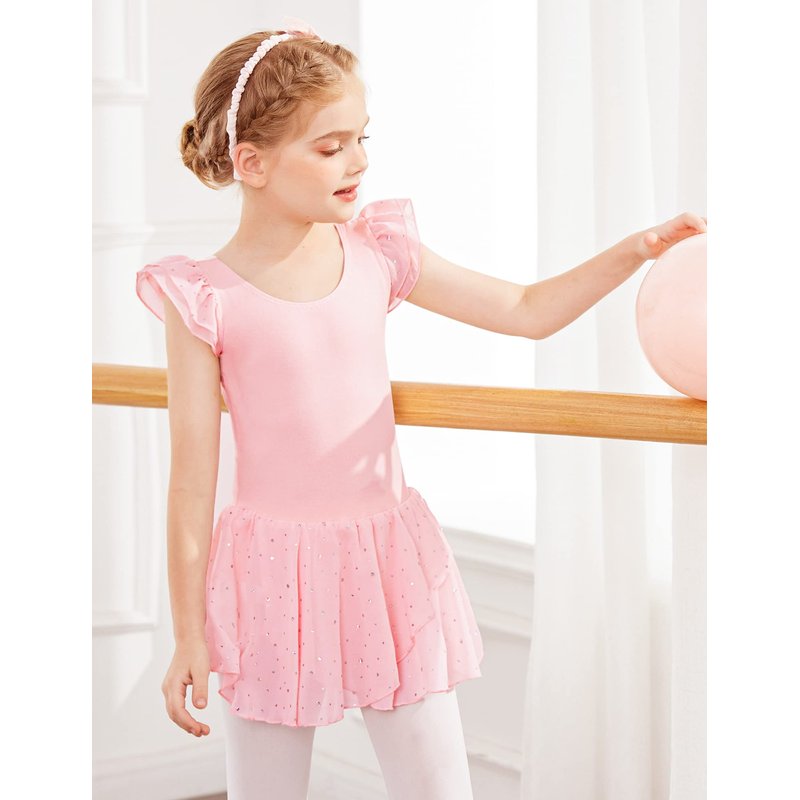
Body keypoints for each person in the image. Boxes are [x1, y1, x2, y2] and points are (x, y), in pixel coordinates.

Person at [134, 16, 706, 800]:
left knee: (438, 787)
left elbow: (525, 309)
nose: (359, 161)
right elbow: (191, 484)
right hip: (269, 574)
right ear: (252, 162)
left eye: (361, 138)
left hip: (387, 560)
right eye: (331, 147)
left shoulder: (378, 251)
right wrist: (188, 635)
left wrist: (636, 250)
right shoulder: (202, 297)